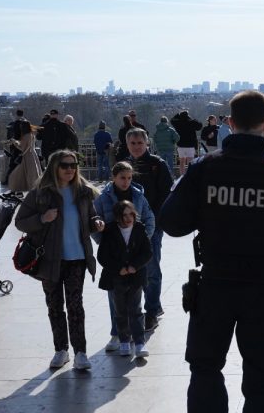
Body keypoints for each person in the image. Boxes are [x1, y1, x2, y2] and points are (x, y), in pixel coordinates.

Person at [160, 90, 264, 413]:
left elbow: (172, 223)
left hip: (215, 282)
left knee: (205, 368)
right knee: (261, 377)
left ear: (229, 123)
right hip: (263, 289)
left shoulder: (205, 168)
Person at [14, 150, 105, 370]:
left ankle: (80, 352)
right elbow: (20, 222)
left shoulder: (82, 192)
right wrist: (42, 219)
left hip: (77, 258)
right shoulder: (40, 193)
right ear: (54, 167)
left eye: (73, 165)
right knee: (55, 306)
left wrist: (96, 222)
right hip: (49, 259)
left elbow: (92, 215)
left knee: (76, 306)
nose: (70, 169)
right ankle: (61, 350)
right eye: (65, 165)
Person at [93, 161, 156, 351]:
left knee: (135, 300)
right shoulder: (103, 198)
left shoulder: (138, 195)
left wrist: (143, 239)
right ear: (114, 177)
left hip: (134, 254)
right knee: (116, 299)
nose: (126, 182)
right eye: (122, 178)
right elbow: (95, 220)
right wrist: (103, 243)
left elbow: (149, 217)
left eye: (129, 178)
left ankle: (136, 338)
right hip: (115, 256)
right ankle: (118, 334)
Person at [125, 128, 173, 331]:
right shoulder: (124, 165)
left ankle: (151, 311)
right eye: (133, 143)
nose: (136, 147)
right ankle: (148, 308)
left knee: (151, 269)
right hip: (128, 225)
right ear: (128, 145)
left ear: (147, 144)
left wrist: (152, 218)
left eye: (139, 143)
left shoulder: (157, 165)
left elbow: (166, 194)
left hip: (151, 225)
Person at [97, 200, 153, 358]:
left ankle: (140, 342)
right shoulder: (110, 231)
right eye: (124, 215)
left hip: (136, 277)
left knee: (135, 309)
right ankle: (124, 341)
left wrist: (135, 265)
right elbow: (102, 256)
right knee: (120, 311)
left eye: (131, 214)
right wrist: (118, 268)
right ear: (117, 217)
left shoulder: (139, 229)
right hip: (117, 278)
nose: (128, 218)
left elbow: (147, 253)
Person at [7, 121, 43, 193]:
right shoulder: (31, 134)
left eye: (21, 126)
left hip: (27, 156)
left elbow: (22, 147)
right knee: (32, 173)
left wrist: (14, 142)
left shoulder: (26, 136)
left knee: (23, 173)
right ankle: (33, 188)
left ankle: (22, 189)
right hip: (32, 155)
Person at [171, 110, 203, 175]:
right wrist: (192, 118)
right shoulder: (191, 122)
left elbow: (172, 120)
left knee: (181, 162)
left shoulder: (178, 123)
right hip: (190, 145)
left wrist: (178, 114)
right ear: (187, 115)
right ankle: (190, 175)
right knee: (190, 162)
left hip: (181, 145)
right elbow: (200, 125)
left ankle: (182, 176)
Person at [4, 109, 26, 184]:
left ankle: (8, 180)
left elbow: (10, 136)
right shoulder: (25, 123)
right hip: (22, 146)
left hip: (15, 146)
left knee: (13, 164)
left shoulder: (13, 124)